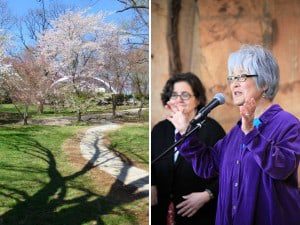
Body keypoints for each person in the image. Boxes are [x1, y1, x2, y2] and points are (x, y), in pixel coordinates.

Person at [167, 45, 300, 225]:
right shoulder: (235, 133)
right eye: (232, 77)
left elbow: (282, 167)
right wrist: (185, 132)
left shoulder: (288, 124)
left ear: (265, 83)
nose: (234, 84)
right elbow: (208, 166)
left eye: (242, 77)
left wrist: (251, 133)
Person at [151, 72, 226, 225]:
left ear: (197, 100)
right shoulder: (160, 129)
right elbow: (151, 160)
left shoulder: (212, 130)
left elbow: (228, 171)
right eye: (174, 95)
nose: (178, 99)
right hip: (161, 211)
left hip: (199, 215)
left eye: (185, 95)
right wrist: (151, 183)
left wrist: (207, 195)